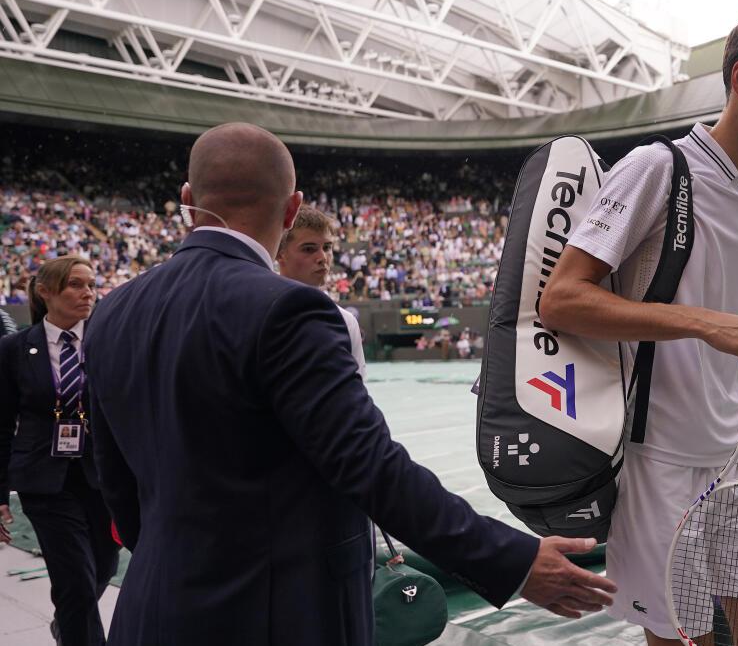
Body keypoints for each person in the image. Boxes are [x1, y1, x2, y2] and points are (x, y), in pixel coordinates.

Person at [82, 123, 615, 646]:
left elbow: (112, 480)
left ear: (187, 199)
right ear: (292, 209)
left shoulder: (111, 313)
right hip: (278, 614)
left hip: (152, 602)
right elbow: (368, 464)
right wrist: (513, 560)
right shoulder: (287, 308)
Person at [540, 7, 738, 646]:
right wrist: (703, 324)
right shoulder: (655, 168)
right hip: (656, 455)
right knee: (678, 641)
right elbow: (561, 299)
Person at [0, 256, 120, 646]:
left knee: (103, 568)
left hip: (101, 477)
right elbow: (2, 423)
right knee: (77, 584)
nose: (88, 292)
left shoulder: (110, 340)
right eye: (75, 284)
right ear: (45, 291)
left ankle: (67, 625)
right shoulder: (15, 349)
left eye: (91, 284)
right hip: (44, 481)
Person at [276, 204, 366, 378]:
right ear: (280, 253)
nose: (322, 258)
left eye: (327, 247)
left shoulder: (346, 323)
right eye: (309, 249)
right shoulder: (257, 312)